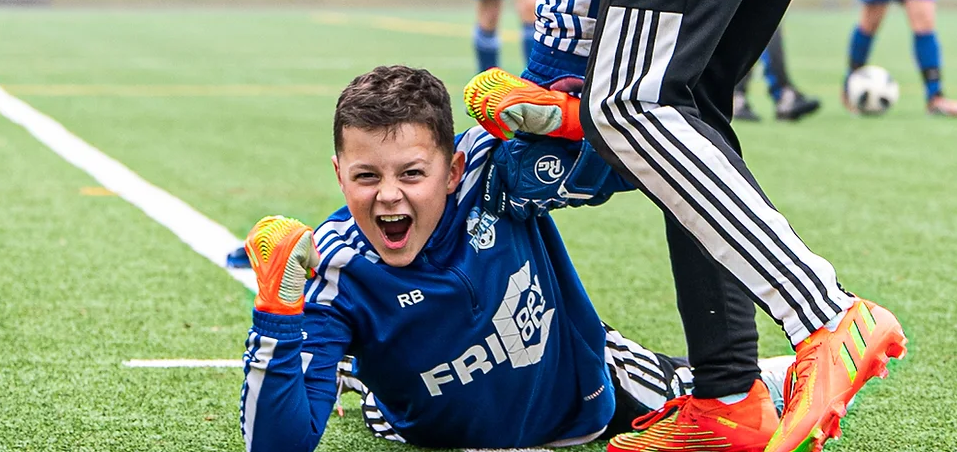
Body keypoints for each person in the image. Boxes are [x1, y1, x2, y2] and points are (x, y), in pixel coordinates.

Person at [352, 0, 907, 451]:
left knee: (630, 102)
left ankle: (828, 316)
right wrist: (568, 107)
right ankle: (727, 399)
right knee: (686, 110)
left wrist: (553, 87)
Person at [239, 65, 707, 451]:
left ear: (452, 170)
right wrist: (276, 319)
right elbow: (276, 446)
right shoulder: (337, 271)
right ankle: (351, 366)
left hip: (584, 392)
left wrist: (565, 120)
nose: (387, 195)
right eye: (365, 176)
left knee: (714, 396)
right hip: (431, 432)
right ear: (340, 175)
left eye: (412, 173)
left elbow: (648, 166)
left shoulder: (493, 174)